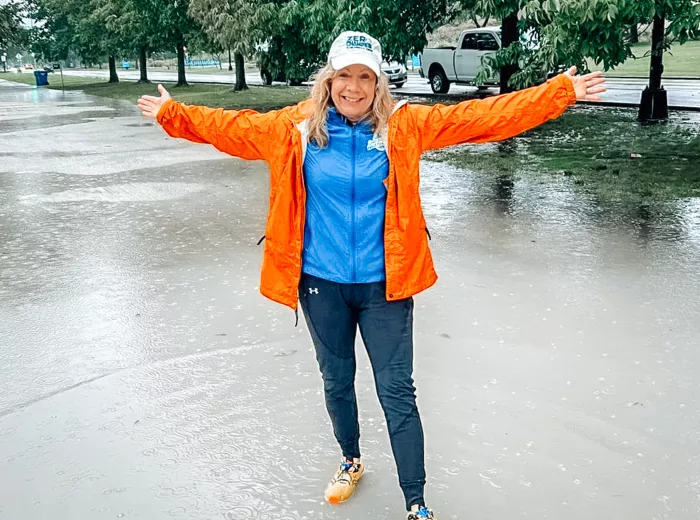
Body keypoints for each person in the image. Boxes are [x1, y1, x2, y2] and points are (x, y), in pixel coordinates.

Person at [138, 31, 606, 520]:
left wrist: (560, 93)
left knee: (396, 389)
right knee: (337, 380)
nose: (354, 87)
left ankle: (416, 502)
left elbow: (481, 119)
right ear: (329, 79)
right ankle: (350, 460)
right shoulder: (294, 129)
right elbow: (231, 127)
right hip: (321, 284)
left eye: (365, 77)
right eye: (345, 75)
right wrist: (175, 114)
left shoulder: (406, 126)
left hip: (387, 286)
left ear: (379, 82)